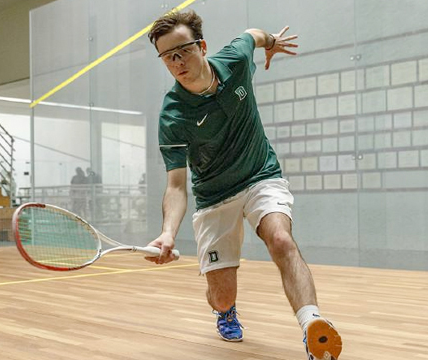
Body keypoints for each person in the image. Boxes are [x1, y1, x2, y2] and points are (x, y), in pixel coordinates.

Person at [144, 10, 343, 360]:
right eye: (168, 57)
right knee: (221, 295)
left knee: (280, 238)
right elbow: (176, 185)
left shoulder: (234, 59)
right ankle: (224, 311)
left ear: (202, 46)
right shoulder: (173, 116)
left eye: (183, 51)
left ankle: (313, 326)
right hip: (213, 197)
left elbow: (252, 34)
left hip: (260, 175)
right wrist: (168, 233)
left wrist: (272, 42)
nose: (177, 62)